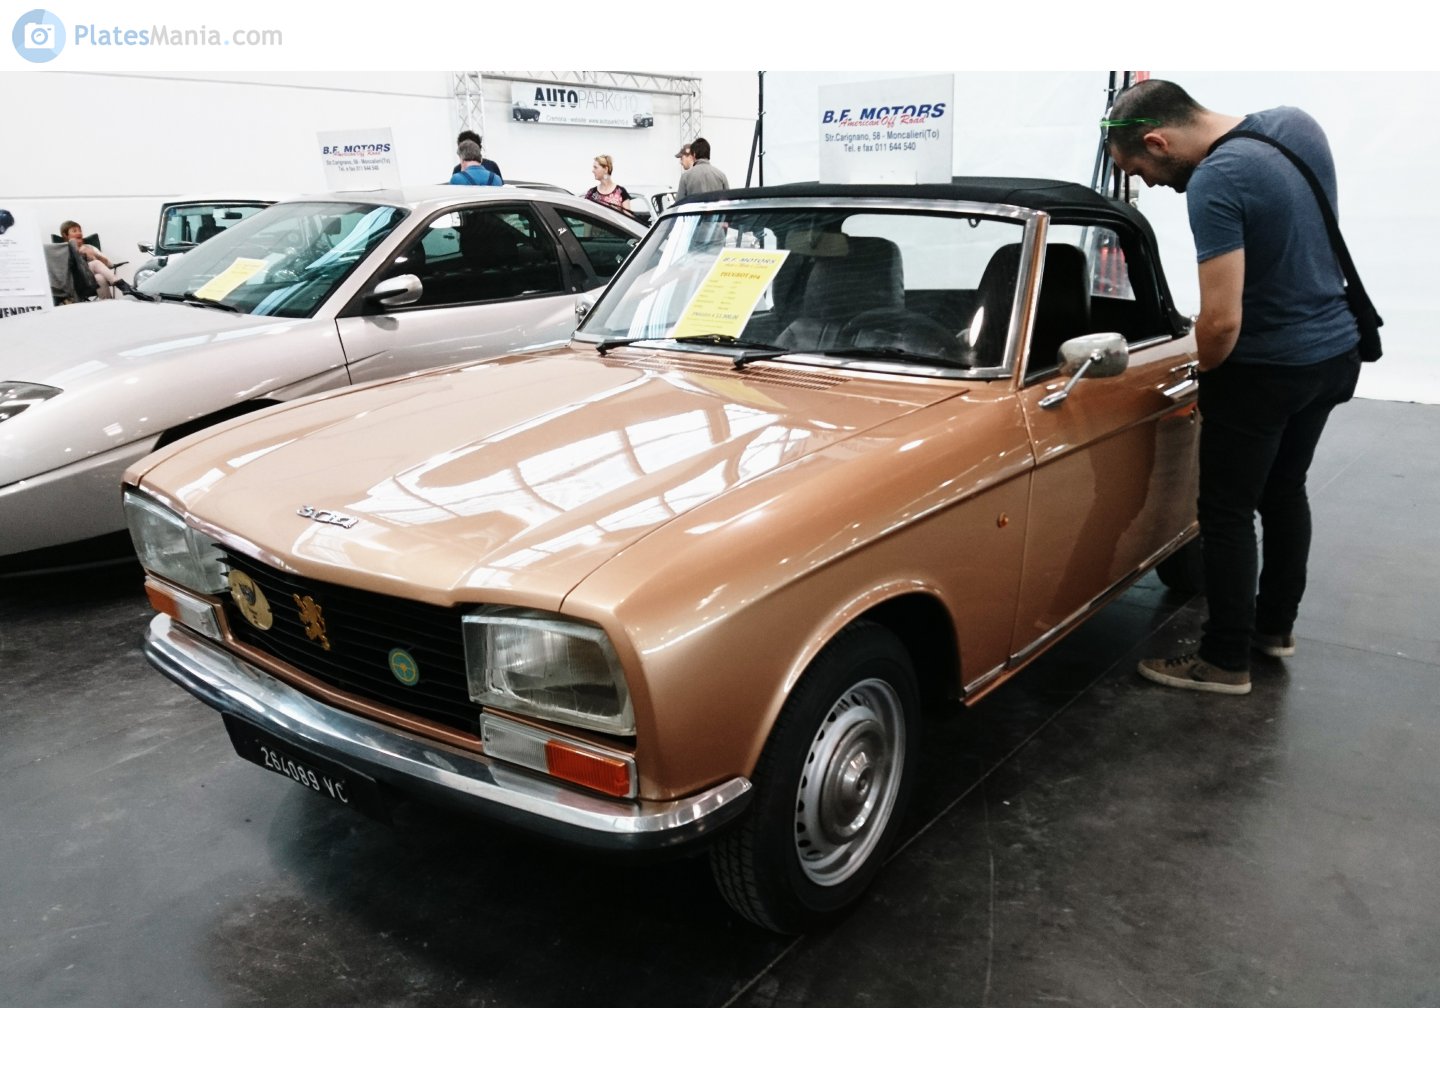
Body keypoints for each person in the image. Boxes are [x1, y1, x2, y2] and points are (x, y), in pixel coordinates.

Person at [1104, 79, 1363, 696]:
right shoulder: (1296, 124)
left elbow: (1220, 320)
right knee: (1284, 489)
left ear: (1158, 140)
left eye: (1141, 167)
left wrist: (1203, 371)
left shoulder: (1218, 181)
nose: (1150, 183)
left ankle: (1223, 661)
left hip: (1267, 369)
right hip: (1333, 351)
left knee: (1224, 511)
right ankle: (1274, 631)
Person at [60, 220, 121, 299]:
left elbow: (109, 264)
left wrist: (94, 254)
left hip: (90, 281)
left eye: (80, 230)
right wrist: (77, 253)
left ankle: (108, 303)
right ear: (66, 235)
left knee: (99, 278)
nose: (79, 233)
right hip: (75, 281)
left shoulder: (89, 247)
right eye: (74, 231)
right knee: (95, 263)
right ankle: (121, 284)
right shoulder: (63, 249)